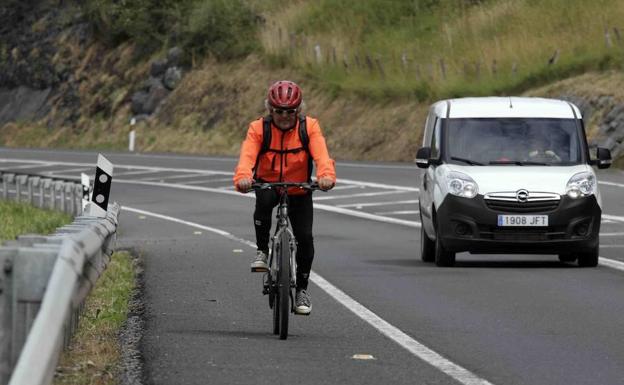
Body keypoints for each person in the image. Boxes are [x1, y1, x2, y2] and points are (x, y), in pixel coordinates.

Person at [233, 80, 336, 315]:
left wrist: (326, 176)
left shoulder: (309, 127)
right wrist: (243, 177)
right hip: (269, 183)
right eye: (279, 111)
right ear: (270, 109)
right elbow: (247, 156)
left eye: (290, 112)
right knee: (264, 201)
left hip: (299, 188)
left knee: (305, 238)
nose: (284, 116)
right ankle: (262, 250)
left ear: (298, 110)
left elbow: (321, 155)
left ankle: (301, 289)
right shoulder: (259, 128)